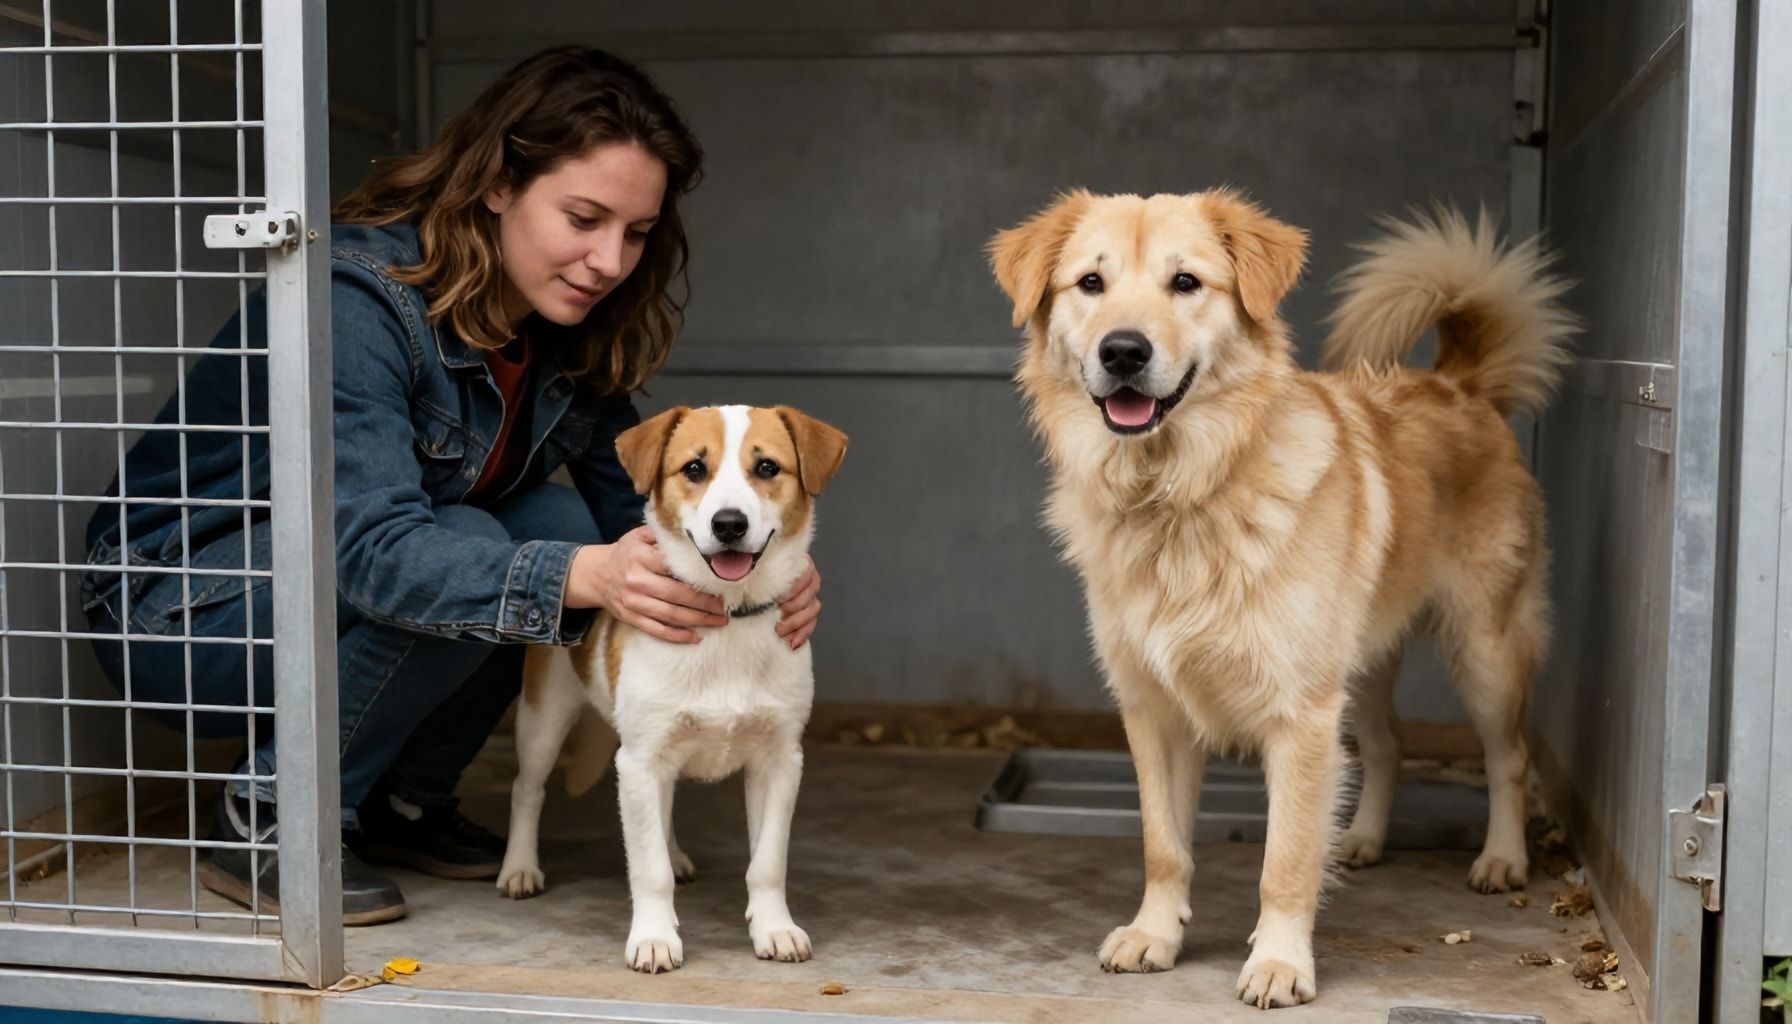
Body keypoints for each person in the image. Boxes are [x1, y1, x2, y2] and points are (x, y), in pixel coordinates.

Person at [79, 46, 823, 926]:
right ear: (499, 183)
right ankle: (274, 814)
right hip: (186, 604)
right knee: (502, 550)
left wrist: (757, 573)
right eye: (583, 217)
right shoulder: (357, 304)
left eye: (635, 232)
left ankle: (407, 802)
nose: (609, 259)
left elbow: (648, 516)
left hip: (314, 590)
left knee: (549, 517)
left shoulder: (563, 322)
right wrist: (578, 577)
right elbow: (373, 553)